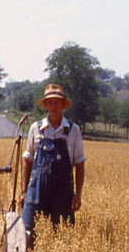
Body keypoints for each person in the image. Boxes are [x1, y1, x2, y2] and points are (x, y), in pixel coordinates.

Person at [19, 84, 85, 237]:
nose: (53, 106)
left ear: (63, 105)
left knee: (63, 236)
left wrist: (78, 194)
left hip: (62, 192)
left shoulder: (73, 130)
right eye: (49, 102)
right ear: (46, 105)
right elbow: (27, 160)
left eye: (56, 102)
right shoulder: (36, 128)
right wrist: (24, 192)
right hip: (36, 191)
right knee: (26, 233)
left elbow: (80, 163)